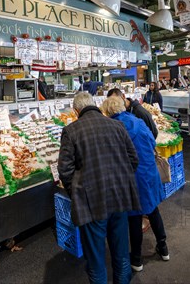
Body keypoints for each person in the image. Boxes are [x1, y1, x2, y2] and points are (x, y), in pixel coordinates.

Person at [58, 92, 140, 284]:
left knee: (96, 261)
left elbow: (65, 170)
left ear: (76, 111)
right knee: (121, 255)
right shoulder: (117, 125)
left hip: (91, 203)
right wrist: (121, 180)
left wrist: (76, 193)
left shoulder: (71, 131)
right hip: (119, 199)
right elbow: (133, 159)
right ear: (95, 105)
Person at [101, 97, 168, 272]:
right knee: (153, 210)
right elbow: (153, 142)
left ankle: (137, 259)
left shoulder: (113, 127)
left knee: (135, 217)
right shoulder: (138, 121)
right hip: (149, 171)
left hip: (132, 176)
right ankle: (163, 248)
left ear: (108, 112)